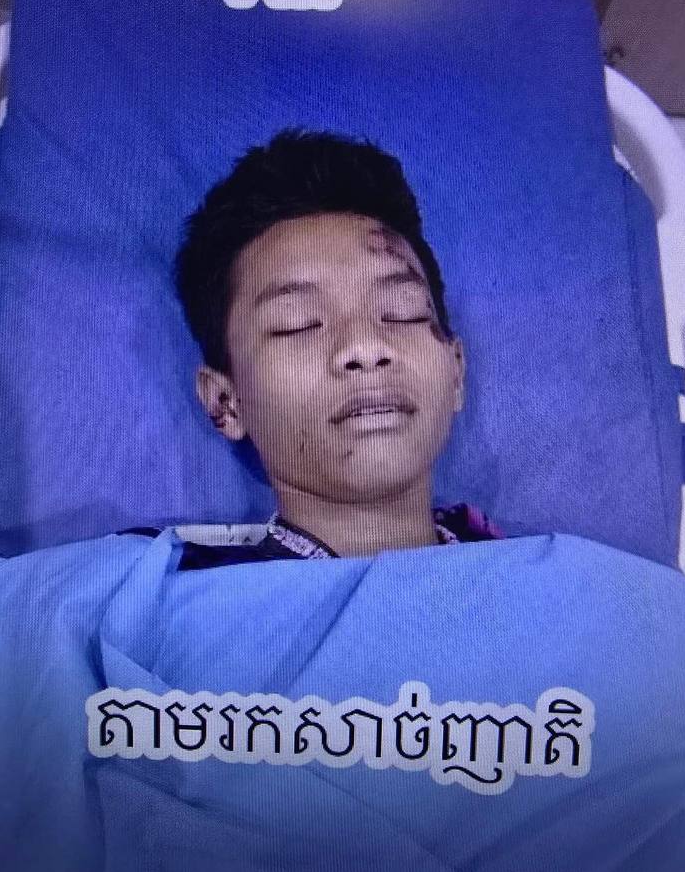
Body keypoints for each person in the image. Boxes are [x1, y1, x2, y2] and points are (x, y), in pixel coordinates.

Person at [124, 128, 503, 568]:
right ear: (225, 402)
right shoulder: (151, 593)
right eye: (298, 324)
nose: (365, 346)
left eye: (402, 312)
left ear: (456, 371)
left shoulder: (559, 580)